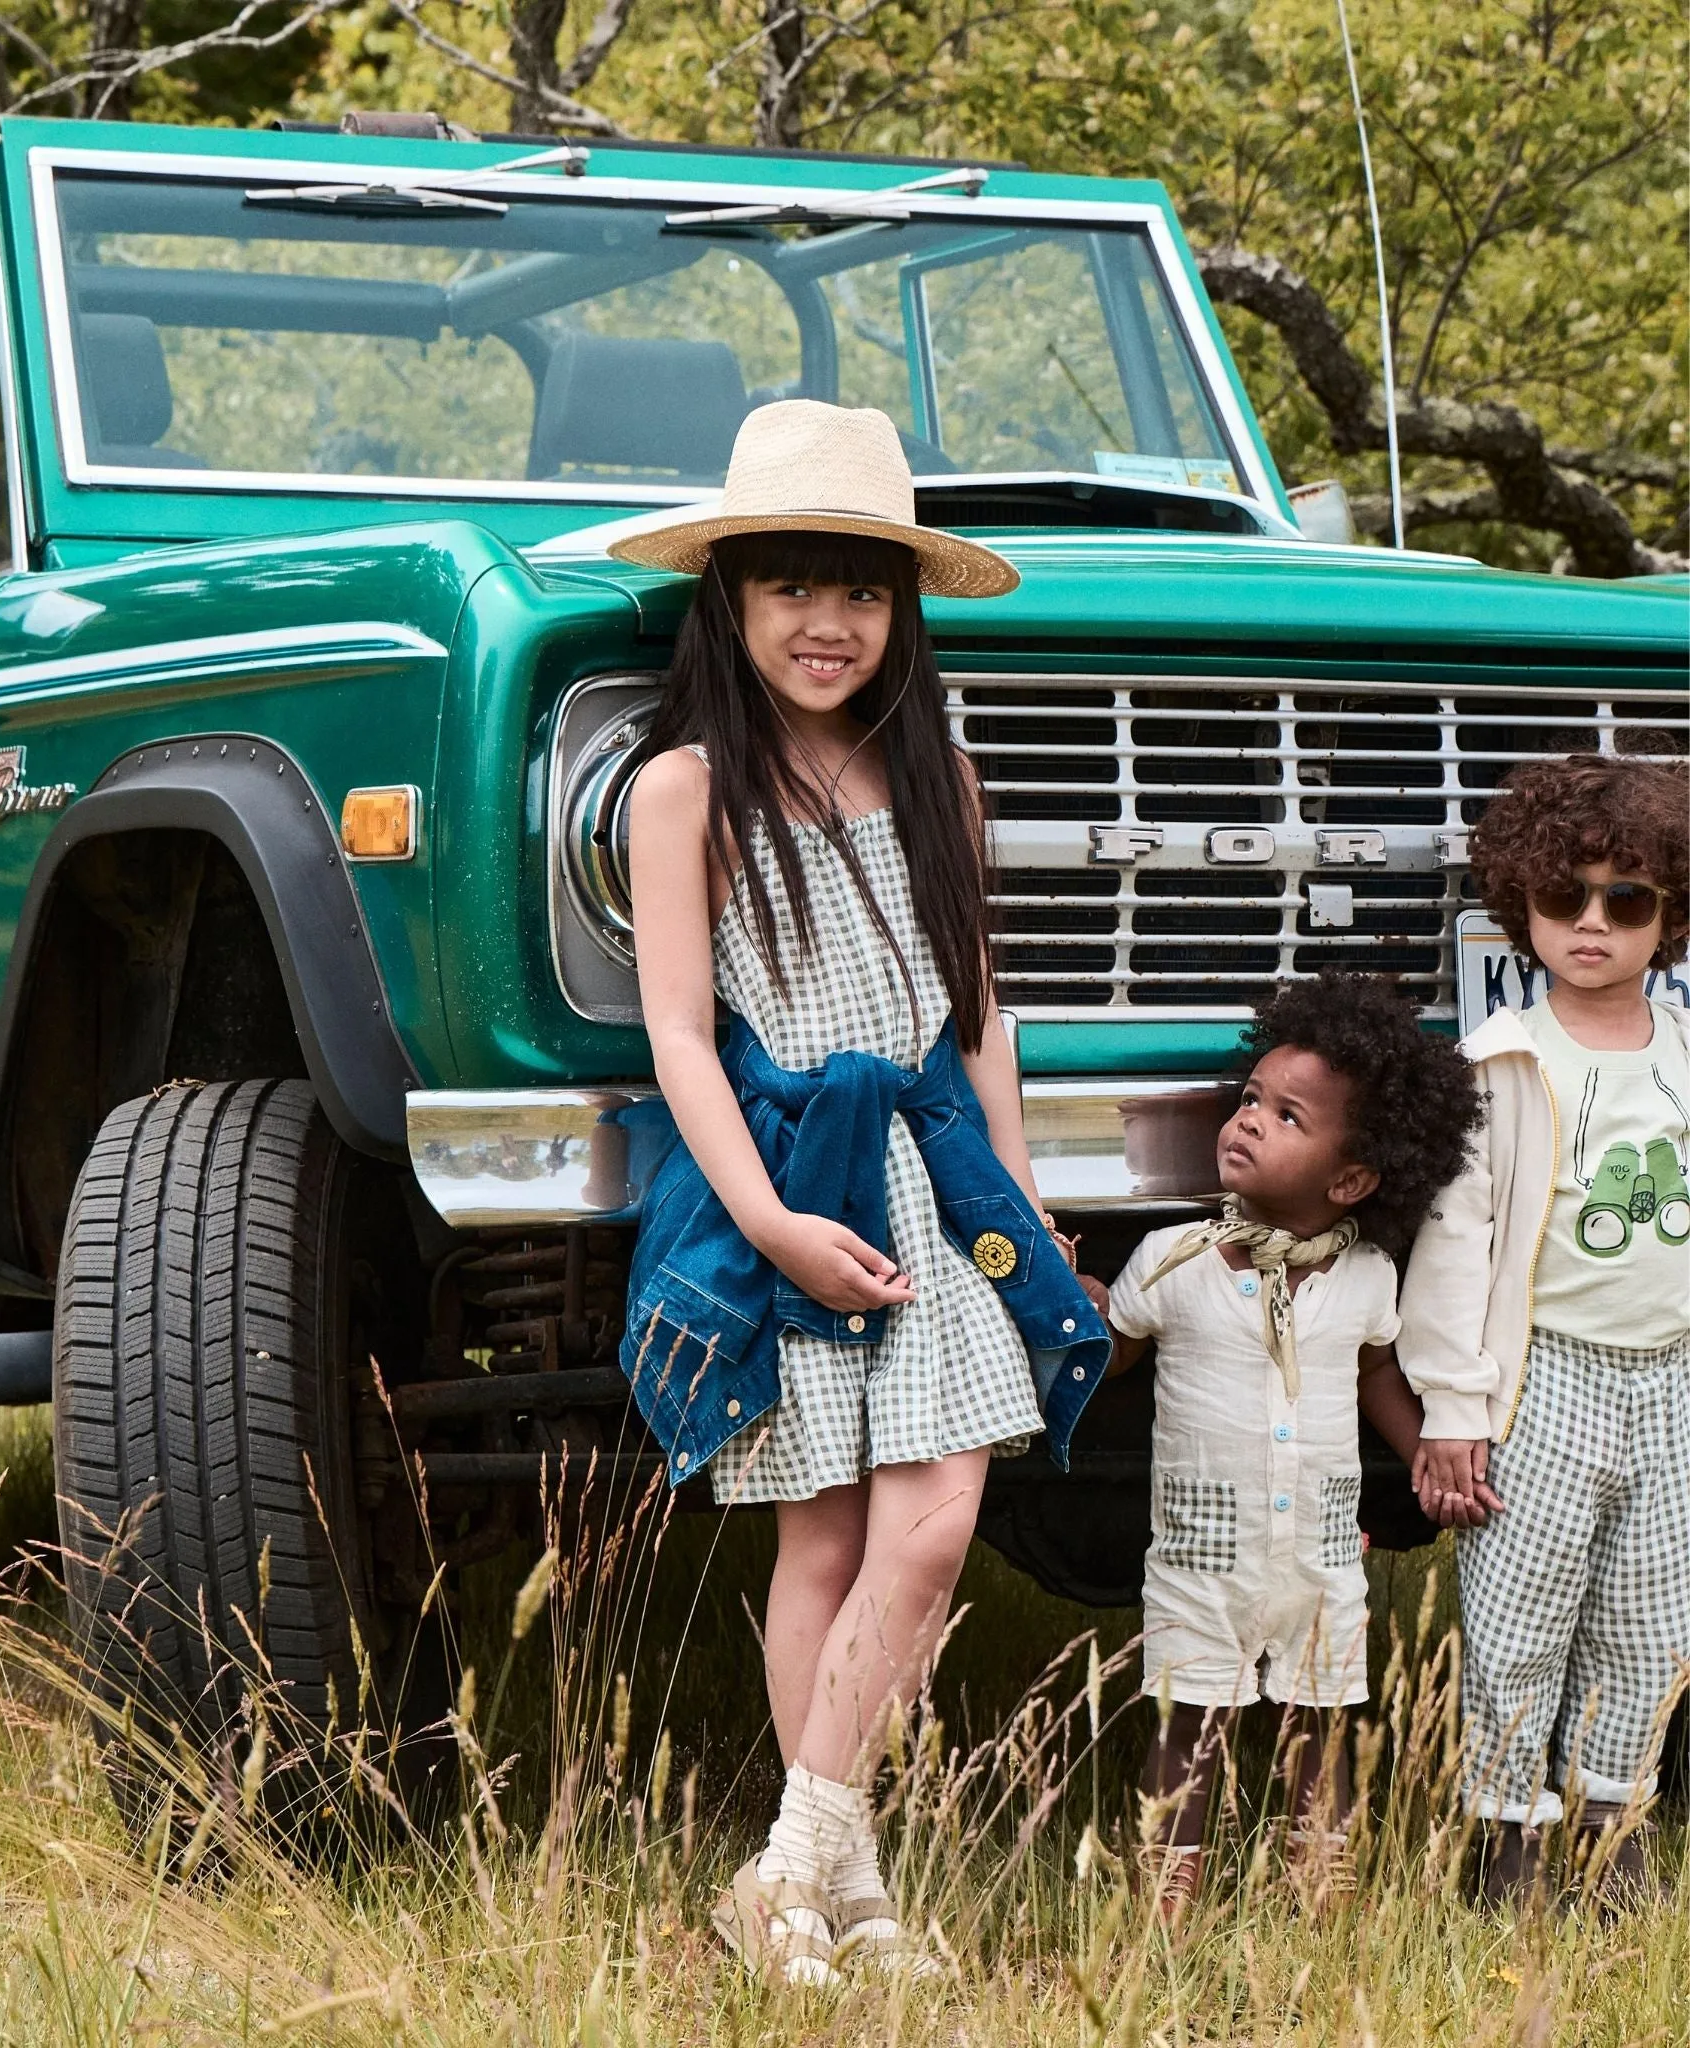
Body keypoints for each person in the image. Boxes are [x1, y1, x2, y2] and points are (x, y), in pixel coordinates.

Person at [610, 400, 1109, 1986]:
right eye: (792, 588)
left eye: (864, 591)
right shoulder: (684, 787)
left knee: (938, 1523)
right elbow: (680, 1038)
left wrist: (1020, 1216)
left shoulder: (936, 777)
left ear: (903, 613)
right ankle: (854, 1886)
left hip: (934, 1183)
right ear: (732, 602)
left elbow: (978, 1023)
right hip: (795, 1178)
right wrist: (765, 1225)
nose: (829, 624)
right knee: (820, 1543)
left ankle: (788, 1861)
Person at [1090, 973, 1483, 1921]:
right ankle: (1168, 1901)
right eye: (1249, 1100)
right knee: (1190, 1724)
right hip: (1202, 1558)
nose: (1249, 1121)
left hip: (1316, 1559)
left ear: (1350, 1181)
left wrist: (1429, 1448)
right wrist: (1082, 1306)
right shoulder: (1173, 1261)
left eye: (1286, 1116)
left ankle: (1322, 1895)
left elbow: (1377, 1376)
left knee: (1323, 1725)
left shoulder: (1365, 1276)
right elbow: (1112, 1358)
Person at [1399, 753, 1690, 1909]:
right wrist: (1454, 1407)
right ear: (1519, 905)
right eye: (1562, 895)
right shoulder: (1502, 1062)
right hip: (1544, 1379)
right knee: (1521, 1621)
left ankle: (1613, 1836)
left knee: (1649, 1623)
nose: (1590, 921)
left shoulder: (1682, 1058)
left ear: (1666, 917)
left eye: (1625, 900)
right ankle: (1508, 1845)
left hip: (1668, 1379)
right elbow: (1453, 1250)